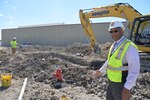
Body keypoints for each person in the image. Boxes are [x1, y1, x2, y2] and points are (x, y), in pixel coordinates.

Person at [93, 21, 140, 100]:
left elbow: (134, 69)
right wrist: (101, 71)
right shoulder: (114, 45)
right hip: (111, 82)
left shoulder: (130, 47)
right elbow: (110, 61)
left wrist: (127, 87)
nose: (113, 33)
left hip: (121, 84)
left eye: (116, 31)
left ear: (122, 30)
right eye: (111, 31)